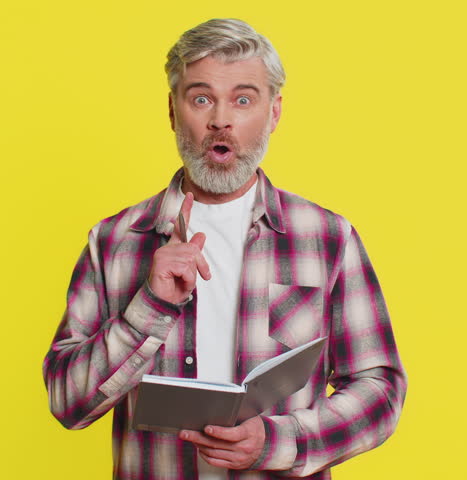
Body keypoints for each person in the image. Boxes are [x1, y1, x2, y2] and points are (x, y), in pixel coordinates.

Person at [43, 18, 406, 480]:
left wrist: (280, 441)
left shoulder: (328, 237)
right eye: (201, 98)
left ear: (273, 113)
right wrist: (149, 306)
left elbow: (381, 390)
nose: (220, 119)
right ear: (173, 112)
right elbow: (67, 403)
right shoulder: (113, 241)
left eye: (243, 99)